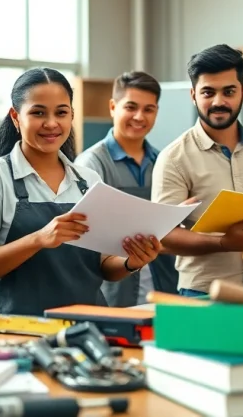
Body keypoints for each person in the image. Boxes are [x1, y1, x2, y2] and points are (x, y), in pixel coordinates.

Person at [0, 68, 162, 322]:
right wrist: (39, 239)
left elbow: (103, 265)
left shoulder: (88, 180)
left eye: (61, 113)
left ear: (72, 116)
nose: (51, 123)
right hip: (20, 330)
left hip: (89, 327)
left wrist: (132, 261)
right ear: (15, 117)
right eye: (38, 112)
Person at [151, 45, 243, 297]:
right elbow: (164, 234)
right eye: (208, 92)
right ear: (193, 95)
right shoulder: (173, 158)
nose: (219, 102)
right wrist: (223, 243)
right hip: (203, 291)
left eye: (229, 91)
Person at [75, 71, 179, 307]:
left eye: (148, 109)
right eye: (131, 107)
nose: (139, 117)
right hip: (114, 287)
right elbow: (89, 234)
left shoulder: (164, 162)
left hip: (163, 284)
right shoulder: (91, 164)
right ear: (113, 107)